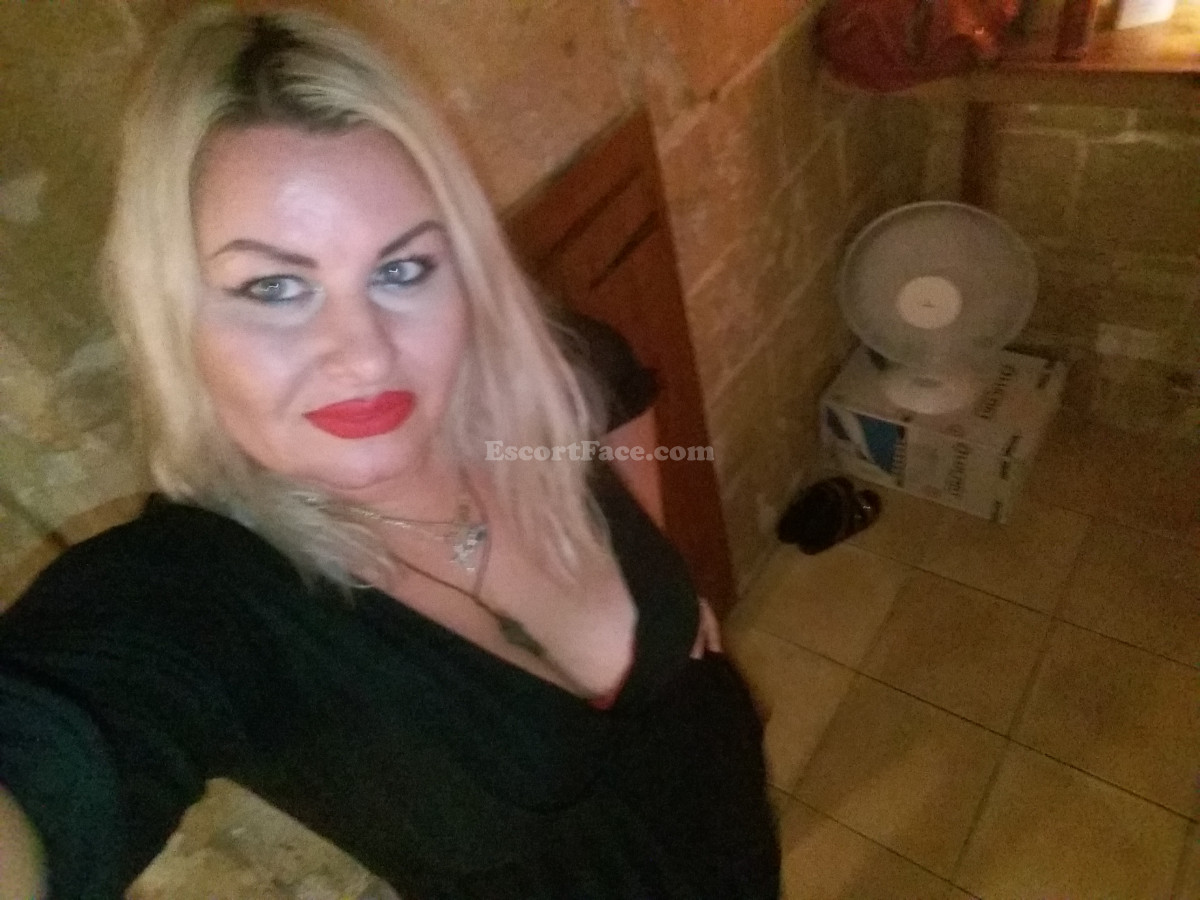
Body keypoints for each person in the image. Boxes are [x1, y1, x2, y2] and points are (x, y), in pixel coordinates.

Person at [0, 6, 781, 899]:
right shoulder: (206, 595)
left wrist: (663, 587)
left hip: (735, 830)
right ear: (171, 315)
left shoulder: (537, 379)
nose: (365, 355)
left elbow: (613, 383)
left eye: (402, 270)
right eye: (274, 286)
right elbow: (65, 739)